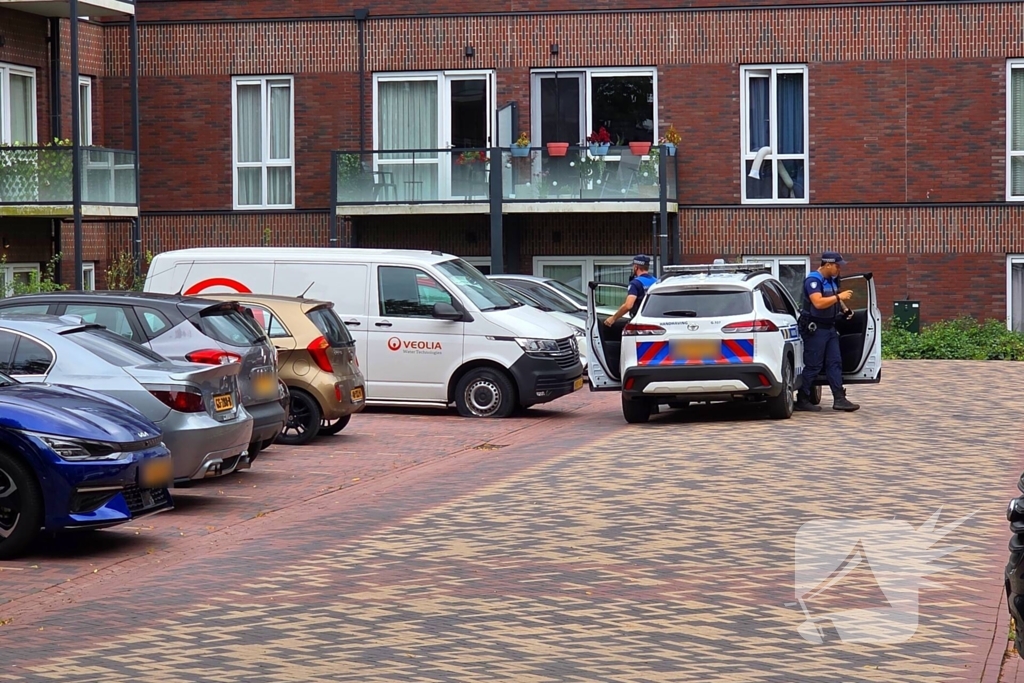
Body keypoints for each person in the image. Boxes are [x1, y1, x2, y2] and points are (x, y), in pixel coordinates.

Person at [795, 251, 860, 413]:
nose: (839, 268)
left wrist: (844, 309)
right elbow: (818, 303)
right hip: (815, 328)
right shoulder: (813, 280)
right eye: (837, 265)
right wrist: (840, 298)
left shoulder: (831, 279)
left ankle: (839, 399)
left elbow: (835, 296)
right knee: (813, 365)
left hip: (830, 327)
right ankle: (803, 399)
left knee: (835, 362)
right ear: (828, 264)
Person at [605, 255, 657, 327]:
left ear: (636, 267)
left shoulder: (635, 283)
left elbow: (628, 305)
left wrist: (613, 318)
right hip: (655, 319)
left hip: (640, 320)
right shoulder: (656, 281)